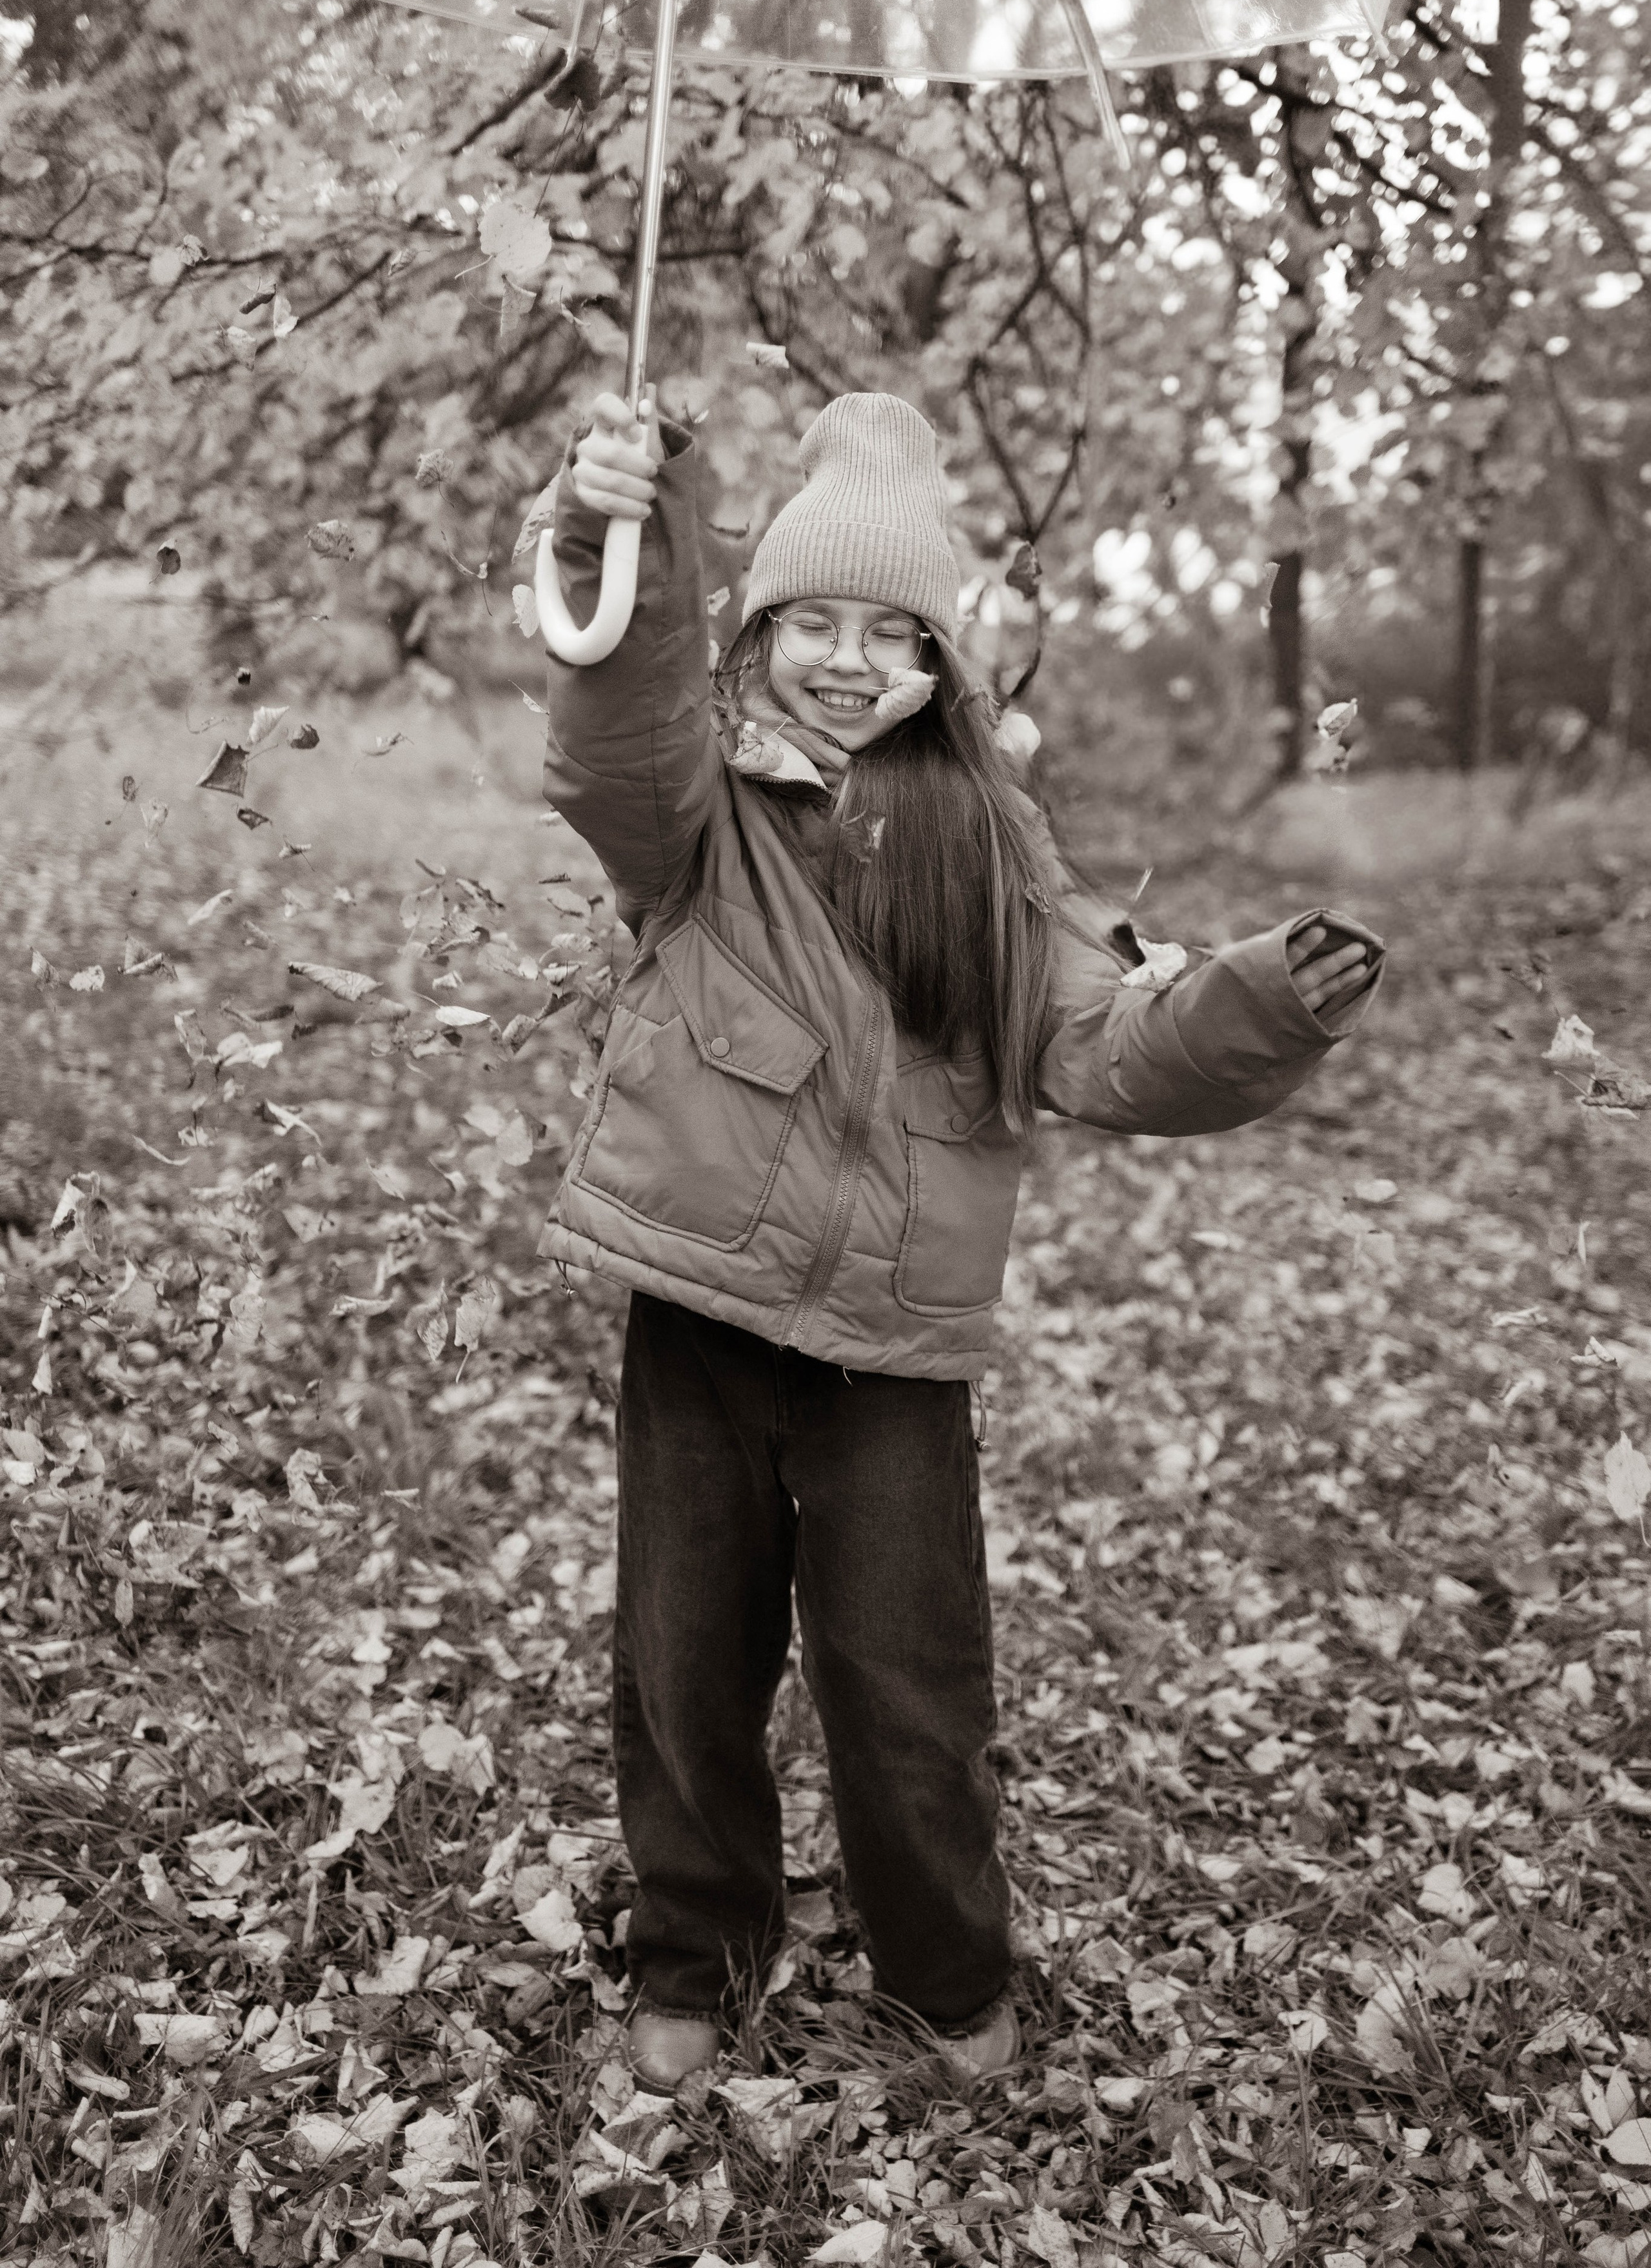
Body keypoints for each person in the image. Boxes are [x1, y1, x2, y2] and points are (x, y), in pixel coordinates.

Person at [535, 386, 1383, 2095]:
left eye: (891, 632)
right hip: (702, 1325)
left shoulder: (996, 854)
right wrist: (616, 526)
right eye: (809, 625)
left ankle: (946, 1970)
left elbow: (1112, 1041)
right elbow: (614, 728)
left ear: (944, 658)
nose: (848, 663)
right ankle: (698, 1948)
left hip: (896, 1359)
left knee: (910, 1692)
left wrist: (1256, 1005)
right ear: (760, 629)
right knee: (684, 1665)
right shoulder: (696, 816)